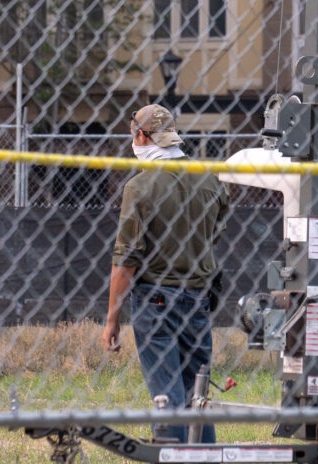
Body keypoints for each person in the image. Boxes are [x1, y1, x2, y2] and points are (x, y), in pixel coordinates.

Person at [101, 104, 228, 443]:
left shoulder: (140, 187)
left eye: (133, 135)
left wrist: (112, 318)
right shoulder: (209, 178)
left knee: (167, 394)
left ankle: (171, 453)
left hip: (156, 299)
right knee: (196, 393)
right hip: (199, 299)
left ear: (142, 135)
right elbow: (214, 233)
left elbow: (126, 260)